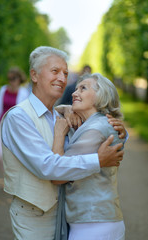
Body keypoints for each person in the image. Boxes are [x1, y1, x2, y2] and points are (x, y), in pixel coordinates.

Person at [1, 46, 126, 240]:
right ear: (34, 75)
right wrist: (98, 160)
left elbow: (98, 128)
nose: (62, 78)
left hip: (64, 215)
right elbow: (47, 166)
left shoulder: (61, 115)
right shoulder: (18, 118)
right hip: (35, 216)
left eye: (66, 73)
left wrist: (120, 132)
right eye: (55, 71)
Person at [52, 73, 126, 240]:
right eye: (76, 88)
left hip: (93, 224)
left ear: (100, 96)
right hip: (96, 221)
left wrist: (58, 134)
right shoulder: (93, 123)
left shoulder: (95, 129)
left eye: (83, 88)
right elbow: (50, 111)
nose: (74, 92)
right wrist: (66, 108)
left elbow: (58, 175)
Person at [0, 66, 29, 171]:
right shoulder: (3, 89)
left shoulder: (24, 93)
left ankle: (12, 180)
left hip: (15, 126)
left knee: (14, 154)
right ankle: (6, 177)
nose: (11, 81)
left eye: (14, 78)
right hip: (2, 124)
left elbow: (25, 112)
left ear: (19, 79)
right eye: (9, 78)